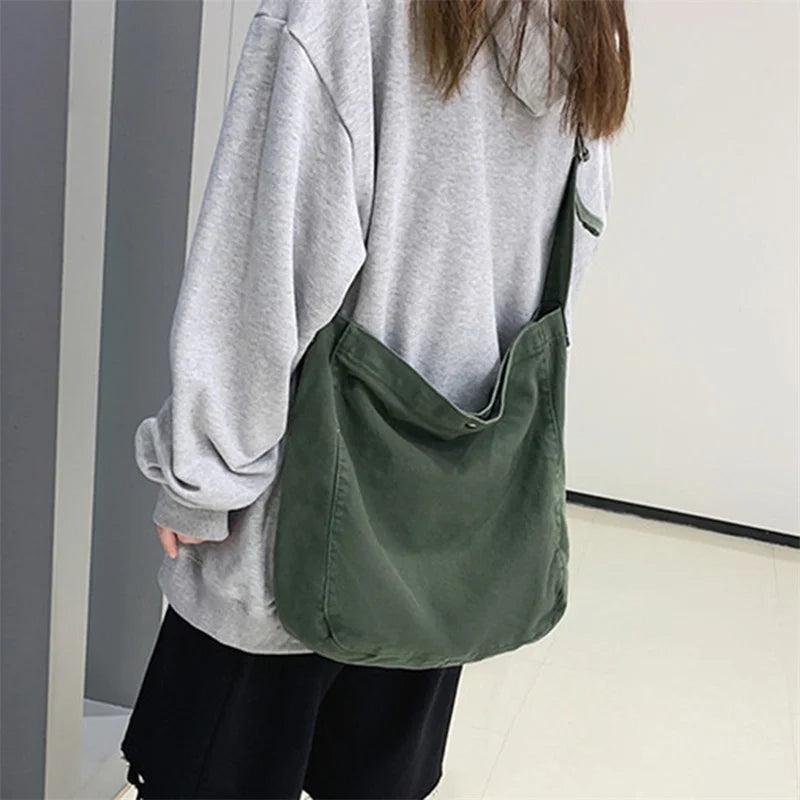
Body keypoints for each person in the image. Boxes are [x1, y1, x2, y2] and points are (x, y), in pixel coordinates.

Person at [121, 1, 630, 798]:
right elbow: (572, 255)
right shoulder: (584, 25)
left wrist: (202, 476)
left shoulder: (346, 14)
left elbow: (266, 260)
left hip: (288, 537)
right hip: (445, 536)